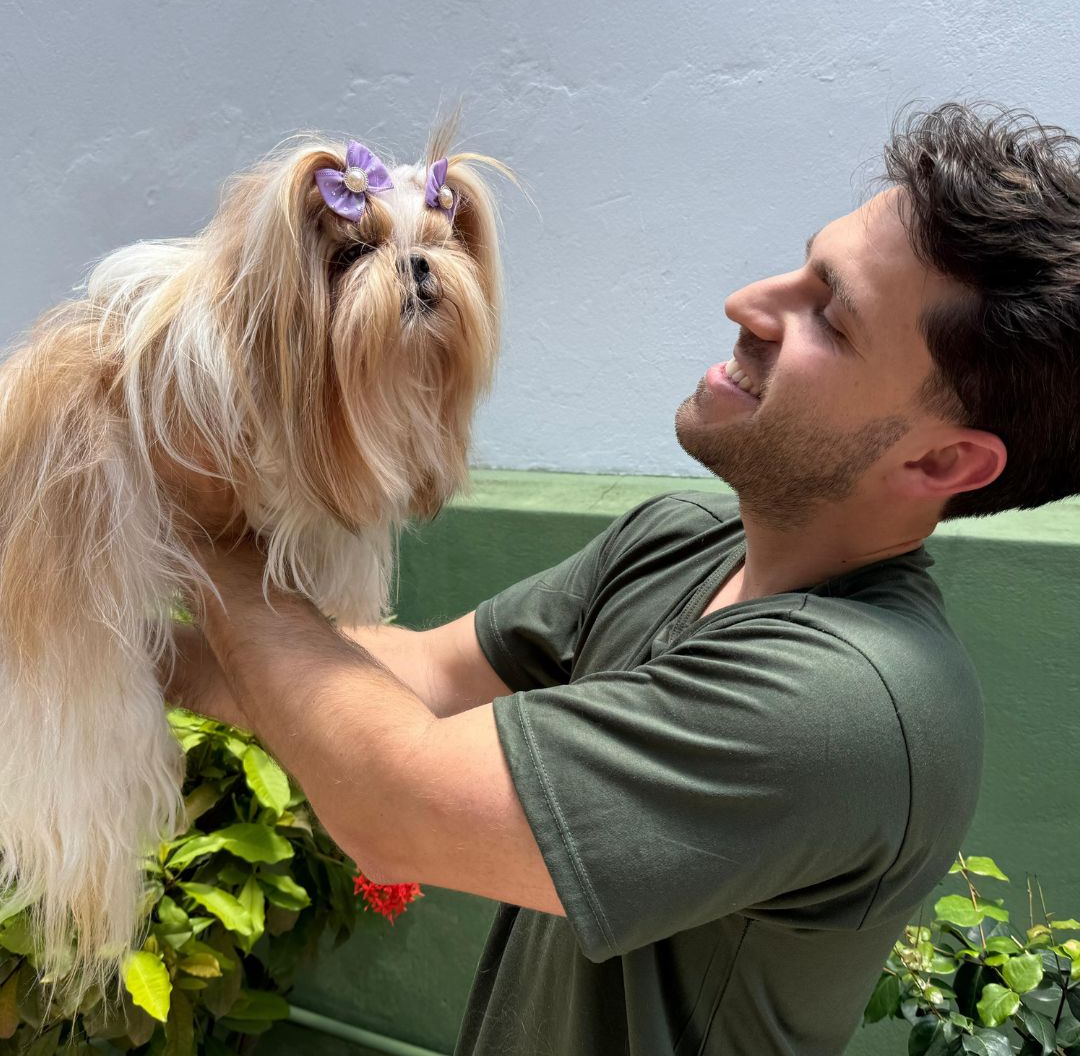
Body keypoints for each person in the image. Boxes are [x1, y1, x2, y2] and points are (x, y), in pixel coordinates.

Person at [164, 102, 1080, 1055]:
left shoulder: (849, 704)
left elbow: (396, 807)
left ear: (943, 463)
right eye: (803, 266)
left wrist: (205, 522)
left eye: (831, 318)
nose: (748, 304)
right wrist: (131, 644)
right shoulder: (679, 541)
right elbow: (419, 676)